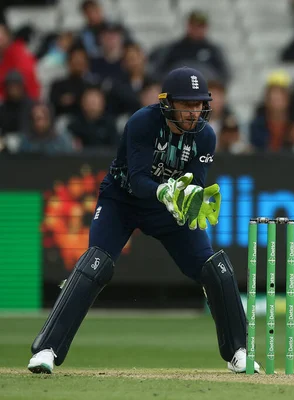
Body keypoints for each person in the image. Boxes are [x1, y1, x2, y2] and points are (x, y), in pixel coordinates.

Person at [27, 67, 260, 375]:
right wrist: (165, 190)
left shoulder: (205, 136)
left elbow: (194, 184)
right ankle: (47, 349)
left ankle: (239, 351)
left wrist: (188, 203)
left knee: (215, 268)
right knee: (94, 265)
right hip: (121, 201)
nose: (194, 112)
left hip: (166, 209)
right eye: (187, 104)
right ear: (168, 103)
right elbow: (138, 181)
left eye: (199, 104)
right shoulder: (142, 122)